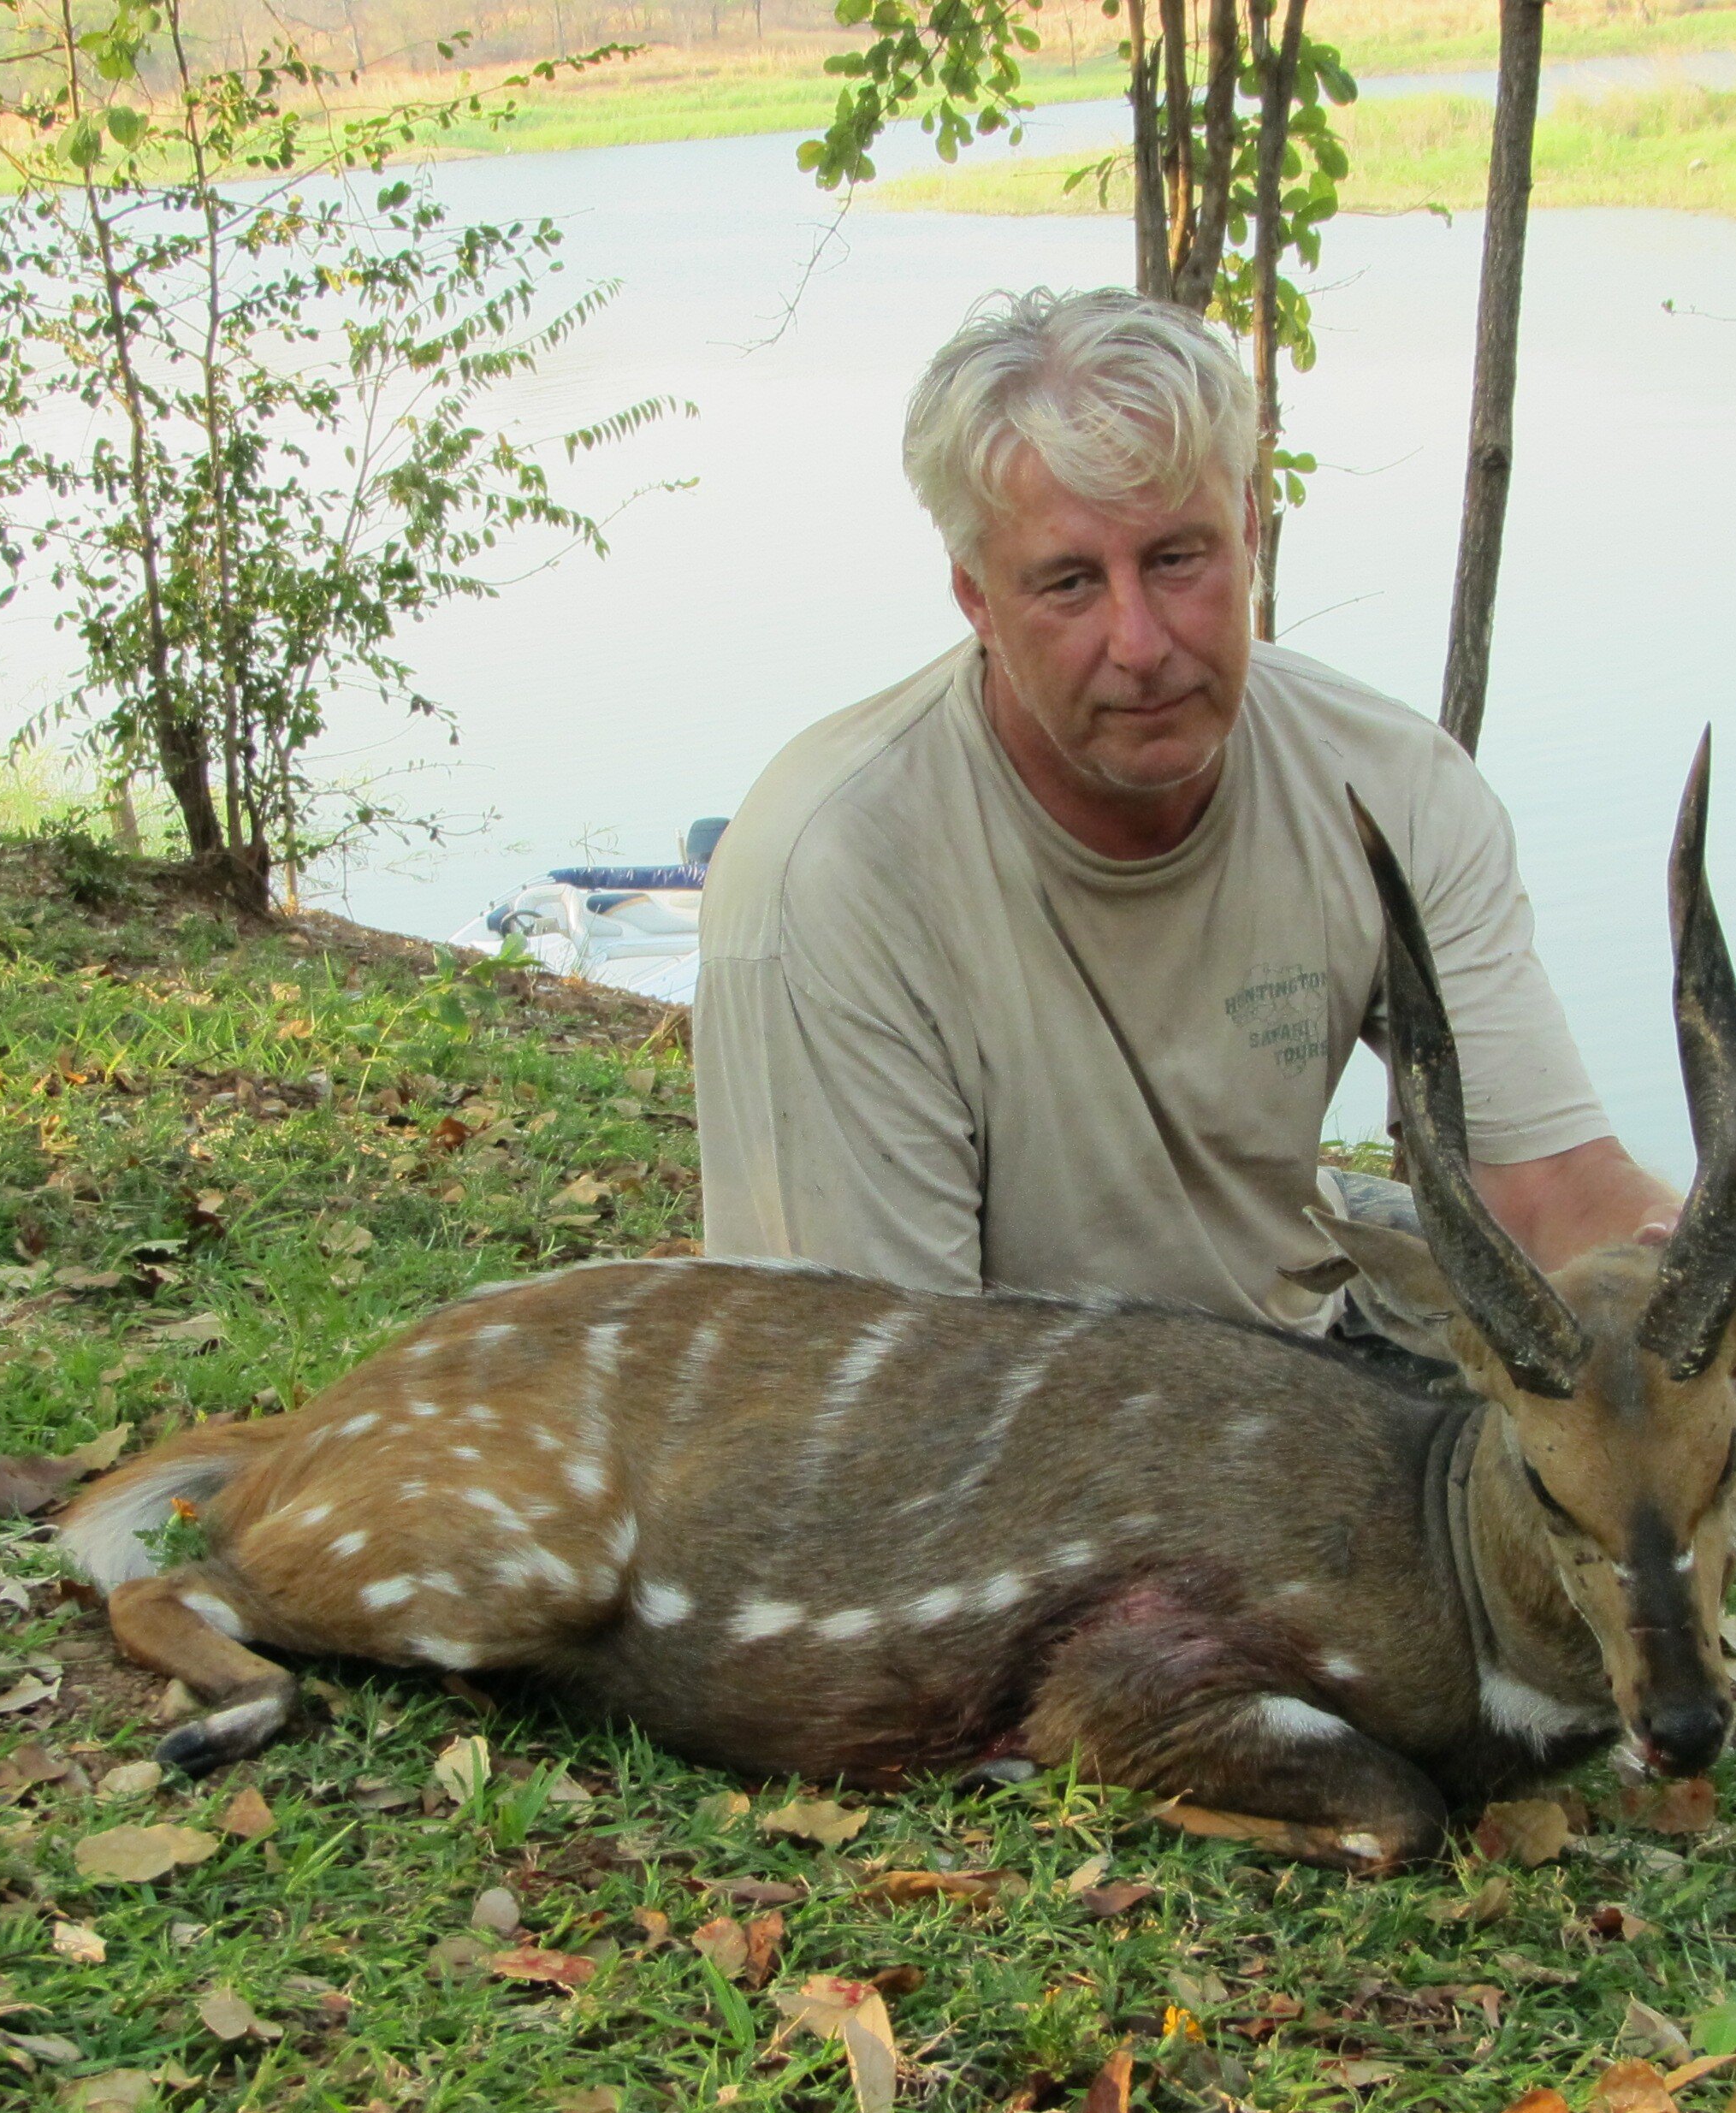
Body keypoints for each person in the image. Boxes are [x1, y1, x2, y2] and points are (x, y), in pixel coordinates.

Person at [695, 286, 1677, 1336]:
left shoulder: (1396, 788)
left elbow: (1548, 1189)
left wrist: (1680, 1266)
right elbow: (888, 1406)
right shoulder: (832, 874)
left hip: (1286, 1335)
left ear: (1250, 531)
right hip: (987, 1409)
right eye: (1069, 583)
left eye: (1176, 560)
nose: (1142, 643)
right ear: (977, 597)